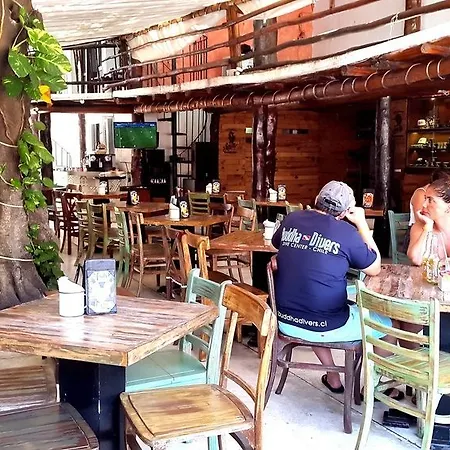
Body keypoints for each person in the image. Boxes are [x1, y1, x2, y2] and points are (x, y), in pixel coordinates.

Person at [271, 181, 390, 393]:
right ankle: (377, 387)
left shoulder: (292, 218)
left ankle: (333, 377)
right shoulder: (346, 232)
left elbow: (276, 243)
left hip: (286, 319)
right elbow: (374, 268)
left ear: (317, 198)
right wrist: (362, 224)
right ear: (345, 212)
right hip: (324, 324)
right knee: (386, 324)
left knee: (315, 300)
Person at [408, 176, 450, 265]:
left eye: (430, 200)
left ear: (448, 206)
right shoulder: (420, 227)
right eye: (425, 198)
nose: (424, 204)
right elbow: (415, 259)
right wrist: (428, 227)